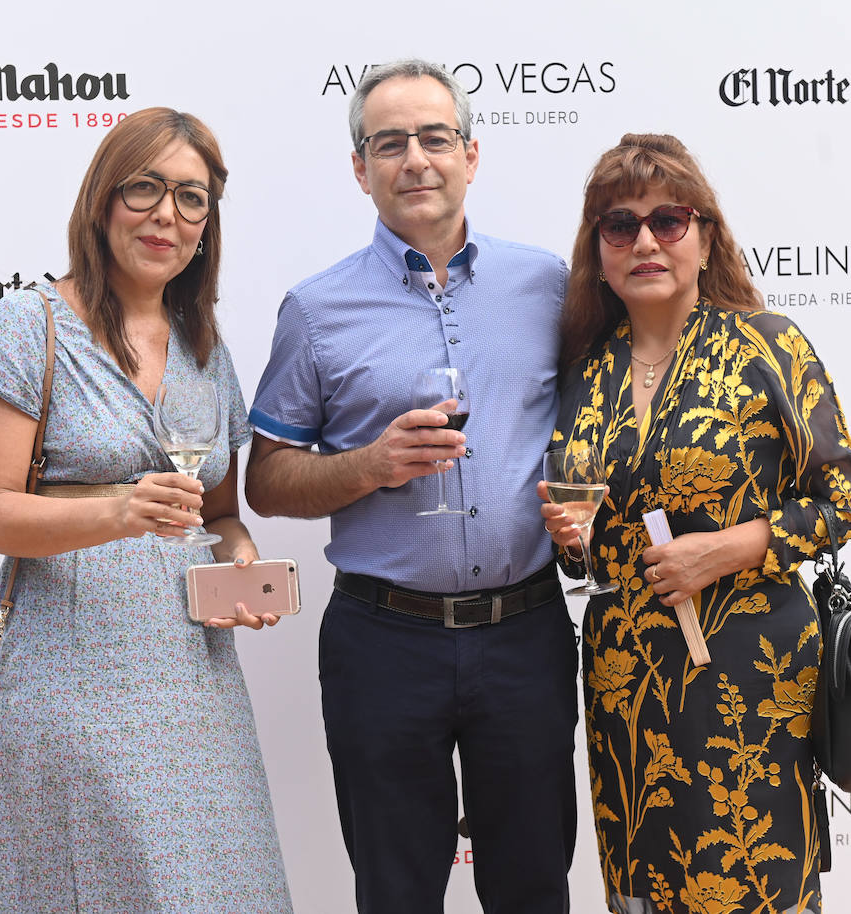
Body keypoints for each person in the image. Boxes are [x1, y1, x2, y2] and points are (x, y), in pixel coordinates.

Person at [246, 59, 577, 914]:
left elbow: (603, 418)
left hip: (527, 633)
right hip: (384, 643)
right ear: (361, 169)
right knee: (396, 893)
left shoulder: (548, 286)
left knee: (534, 888)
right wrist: (371, 465)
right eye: (389, 143)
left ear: (472, 154)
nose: (416, 159)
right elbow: (266, 481)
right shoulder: (316, 310)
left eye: (435, 137)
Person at [0, 107, 292, 913]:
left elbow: (221, 517)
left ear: (207, 225)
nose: (166, 215)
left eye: (191, 198)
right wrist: (121, 512)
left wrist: (240, 565)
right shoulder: (27, 326)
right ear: (103, 200)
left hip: (197, 685)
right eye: (145, 189)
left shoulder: (204, 346)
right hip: (70, 684)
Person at [540, 134, 851, 914]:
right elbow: (581, 544)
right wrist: (571, 539)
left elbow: (844, 503)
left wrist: (723, 550)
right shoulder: (585, 370)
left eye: (668, 220)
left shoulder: (767, 346)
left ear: (707, 236)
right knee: (643, 884)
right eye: (620, 225)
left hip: (749, 673)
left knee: (749, 880)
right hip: (625, 676)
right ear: (598, 250)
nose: (645, 242)